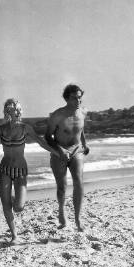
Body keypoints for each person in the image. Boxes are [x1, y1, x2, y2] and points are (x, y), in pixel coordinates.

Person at [0, 99, 59, 245]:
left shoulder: (25, 128)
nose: (16, 112)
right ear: (7, 112)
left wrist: (58, 153)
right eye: (12, 110)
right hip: (5, 169)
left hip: (20, 169)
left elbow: (41, 142)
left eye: (17, 110)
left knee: (18, 207)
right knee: (5, 204)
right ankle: (14, 235)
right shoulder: (0, 129)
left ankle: (11, 198)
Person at [45, 84, 90, 232]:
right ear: (66, 98)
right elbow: (47, 137)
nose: (78, 101)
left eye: (79, 97)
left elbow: (80, 129)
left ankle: (77, 219)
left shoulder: (83, 112)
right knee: (62, 187)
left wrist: (85, 143)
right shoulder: (57, 115)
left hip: (76, 150)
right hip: (59, 153)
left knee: (78, 181)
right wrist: (60, 150)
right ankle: (62, 212)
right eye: (74, 98)